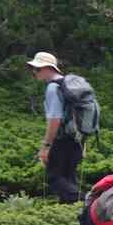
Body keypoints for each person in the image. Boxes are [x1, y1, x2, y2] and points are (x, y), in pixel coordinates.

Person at [27, 51, 83, 203]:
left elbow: (54, 120)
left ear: (48, 68)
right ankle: (75, 213)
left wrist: (45, 147)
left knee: (54, 178)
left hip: (62, 139)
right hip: (77, 139)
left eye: (37, 69)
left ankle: (86, 202)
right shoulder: (70, 85)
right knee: (68, 178)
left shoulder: (53, 88)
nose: (34, 72)